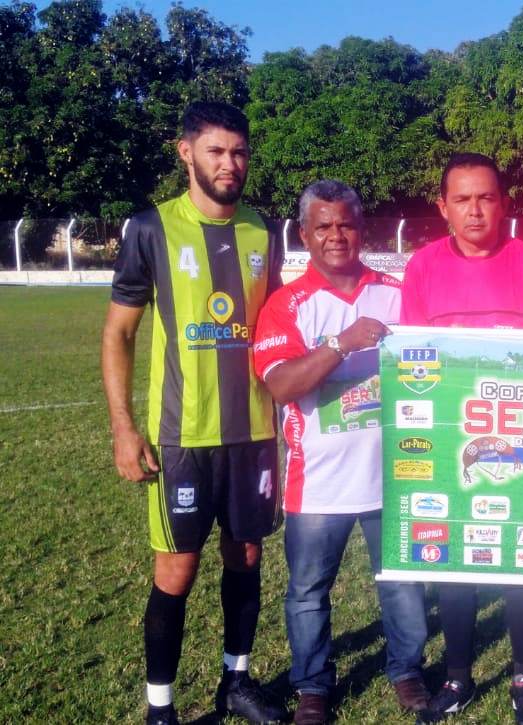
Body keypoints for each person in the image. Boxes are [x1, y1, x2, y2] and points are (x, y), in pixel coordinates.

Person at [101, 101, 287, 725]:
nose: (229, 164)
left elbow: (279, 328)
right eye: (215, 151)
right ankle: (161, 707)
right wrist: (125, 428)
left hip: (254, 432)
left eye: (238, 152)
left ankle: (236, 682)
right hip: (181, 437)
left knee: (248, 558)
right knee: (176, 570)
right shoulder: (150, 229)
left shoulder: (264, 229)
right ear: (186, 152)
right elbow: (119, 333)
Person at [251, 181, 431, 725]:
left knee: (401, 582)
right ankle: (312, 686)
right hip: (319, 483)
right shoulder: (286, 305)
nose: (336, 236)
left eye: (345, 224)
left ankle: (406, 671)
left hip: (396, 475)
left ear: (362, 228)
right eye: (323, 226)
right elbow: (281, 386)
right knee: (308, 592)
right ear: (304, 235)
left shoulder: (397, 294)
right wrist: (340, 344)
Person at [399, 153, 523, 725]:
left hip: (521, 445)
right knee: (454, 564)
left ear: (504, 203)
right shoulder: (422, 268)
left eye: (486, 197)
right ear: (443, 207)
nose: (475, 210)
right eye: (463, 199)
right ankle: (458, 677)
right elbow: (412, 363)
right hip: (451, 447)